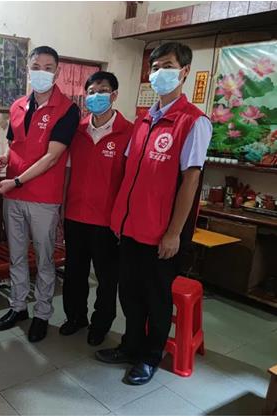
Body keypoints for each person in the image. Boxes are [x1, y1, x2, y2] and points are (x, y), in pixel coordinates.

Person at [96, 42, 212, 385]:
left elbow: (191, 180)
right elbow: (131, 172)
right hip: (130, 226)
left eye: (168, 66)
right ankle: (130, 346)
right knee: (129, 293)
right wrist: (119, 217)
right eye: (156, 67)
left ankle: (150, 357)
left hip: (161, 232)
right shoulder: (145, 119)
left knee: (156, 299)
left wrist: (174, 233)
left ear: (184, 72)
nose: (160, 73)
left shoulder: (193, 122)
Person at [0, 46, 80, 343]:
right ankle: (18, 307)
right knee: (16, 255)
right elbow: (12, 144)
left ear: (57, 72)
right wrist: (4, 159)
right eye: (36, 66)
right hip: (13, 196)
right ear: (27, 70)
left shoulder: (67, 109)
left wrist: (16, 181)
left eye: (48, 67)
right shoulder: (17, 105)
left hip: (42, 198)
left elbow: (52, 157)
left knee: (44, 260)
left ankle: (42, 313)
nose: (41, 72)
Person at [61, 71, 133, 345]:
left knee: (107, 277)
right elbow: (67, 172)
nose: (96, 96)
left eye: (102, 91)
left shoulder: (128, 132)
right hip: (75, 215)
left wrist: (122, 219)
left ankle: (101, 323)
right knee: (74, 273)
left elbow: (130, 180)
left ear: (114, 95)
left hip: (107, 220)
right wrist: (62, 209)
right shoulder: (77, 131)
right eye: (91, 92)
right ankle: (75, 316)